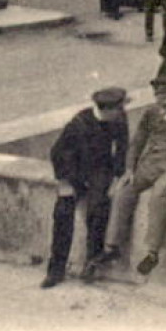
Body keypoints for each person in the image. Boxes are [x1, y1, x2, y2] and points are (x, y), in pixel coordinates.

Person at [102, 76, 166, 277]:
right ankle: (112, 246)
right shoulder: (150, 114)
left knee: (158, 196)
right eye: (160, 95)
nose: (164, 99)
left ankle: (152, 253)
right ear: (155, 96)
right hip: (150, 165)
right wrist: (129, 169)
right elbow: (136, 143)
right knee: (124, 191)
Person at [43, 87, 129, 288]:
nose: (120, 113)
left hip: (100, 170)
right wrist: (65, 182)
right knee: (63, 212)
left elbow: (122, 148)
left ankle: (92, 262)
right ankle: (56, 270)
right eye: (117, 110)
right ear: (105, 110)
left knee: (99, 208)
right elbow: (56, 152)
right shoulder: (78, 124)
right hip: (75, 171)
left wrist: (117, 176)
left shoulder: (119, 118)